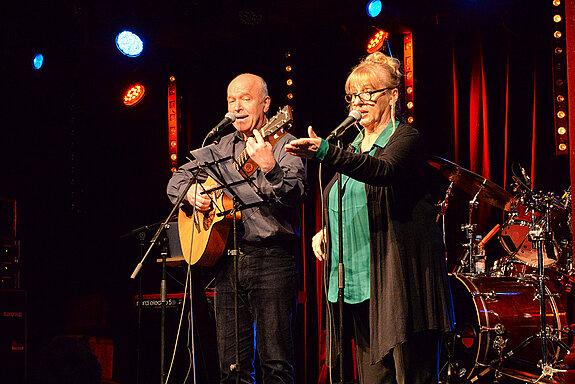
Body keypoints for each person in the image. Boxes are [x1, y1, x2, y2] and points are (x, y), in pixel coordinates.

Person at [285, 52, 454, 384]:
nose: (358, 103)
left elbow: (383, 171)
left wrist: (325, 151)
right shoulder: (354, 145)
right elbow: (340, 197)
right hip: (361, 283)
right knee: (373, 376)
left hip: (401, 280)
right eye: (353, 96)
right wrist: (326, 230)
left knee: (410, 372)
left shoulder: (405, 138)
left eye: (368, 93)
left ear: (392, 95)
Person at [167, 73, 306, 383]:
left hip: (271, 260)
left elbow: (295, 194)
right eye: (232, 100)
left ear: (266, 104)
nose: (238, 107)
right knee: (232, 367)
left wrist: (269, 166)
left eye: (246, 98)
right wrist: (190, 192)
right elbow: (175, 180)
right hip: (227, 261)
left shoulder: (285, 142)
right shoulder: (220, 146)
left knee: (276, 364)